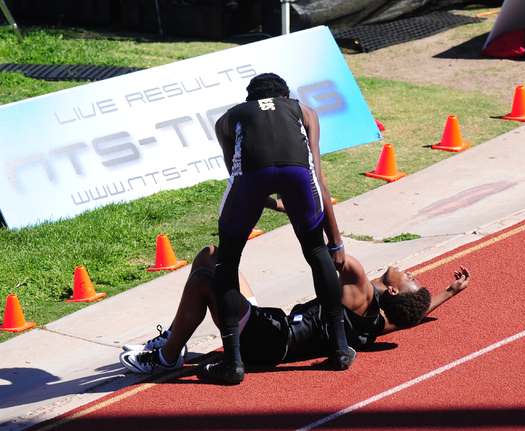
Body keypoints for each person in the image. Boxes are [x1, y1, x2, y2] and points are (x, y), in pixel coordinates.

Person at [119, 244, 471, 380]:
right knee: (212, 254)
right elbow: (412, 316)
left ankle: (166, 357)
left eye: (410, 278)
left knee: (203, 280)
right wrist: (449, 292)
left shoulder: (360, 282)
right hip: (272, 327)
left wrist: (294, 206)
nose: (411, 272)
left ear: (392, 289)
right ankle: (175, 338)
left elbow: (328, 246)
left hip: (266, 339)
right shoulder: (380, 323)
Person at [207, 72, 350, 383]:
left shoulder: (227, 119)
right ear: (286, 96)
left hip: (251, 180)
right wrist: (336, 243)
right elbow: (318, 181)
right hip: (299, 177)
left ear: (250, 100)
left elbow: (239, 174)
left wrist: (272, 203)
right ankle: (339, 348)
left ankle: (232, 361)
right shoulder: (305, 111)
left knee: (227, 261)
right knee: (316, 251)